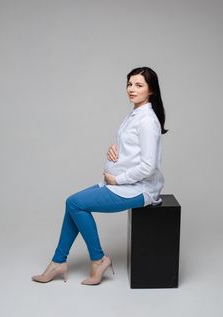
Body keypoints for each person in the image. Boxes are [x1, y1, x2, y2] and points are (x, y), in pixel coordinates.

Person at [31, 66, 168, 286]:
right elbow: (134, 151)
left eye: (139, 85)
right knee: (72, 204)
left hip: (138, 189)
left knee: (75, 203)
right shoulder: (134, 115)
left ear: (151, 90)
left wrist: (117, 179)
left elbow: (148, 166)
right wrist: (114, 151)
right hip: (120, 184)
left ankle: (99, 259)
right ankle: (58, 262)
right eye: (129, 84)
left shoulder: (147, 120)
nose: (131, 89)